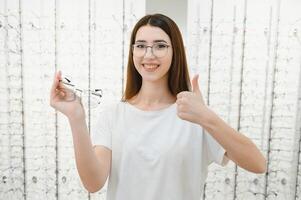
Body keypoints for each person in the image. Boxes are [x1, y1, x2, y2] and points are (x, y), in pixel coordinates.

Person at [50, 13, 266, 200]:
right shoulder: (113, 114)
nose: (149, 54)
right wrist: (76, 118)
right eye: (141, 45)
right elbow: (93, 182)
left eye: (160, 46)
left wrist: (205, 117)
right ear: (132, 52)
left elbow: (258, 164)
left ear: (175, 52)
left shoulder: (194, 114)